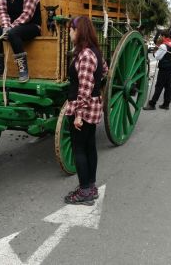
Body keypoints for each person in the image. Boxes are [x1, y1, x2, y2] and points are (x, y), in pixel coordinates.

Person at [64, 16, 108, 206]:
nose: (70, 33)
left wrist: (78, 114)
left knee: (79, 149)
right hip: (92, 107)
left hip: (82, 109)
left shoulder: (85, 55)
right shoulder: (94, 52)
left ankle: (84, 192)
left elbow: (84, 87)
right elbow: (105, 70)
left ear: (78, 30)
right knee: (89, 147)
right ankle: (90, 186)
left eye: (71, 30)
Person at [143, 29, 171, 110]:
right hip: (170, 68)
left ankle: (152, 104)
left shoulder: (163, 46)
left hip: (163, 68)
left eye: (160, 36)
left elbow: (157, 57)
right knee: (168, 86)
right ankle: (166, 104)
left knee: (159, 86)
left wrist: (155, 53)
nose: (160, 37)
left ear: (163, 36)